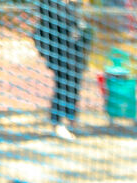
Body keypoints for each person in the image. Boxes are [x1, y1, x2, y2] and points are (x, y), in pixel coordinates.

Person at [32, 0, 90, 140]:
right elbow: (45, 30)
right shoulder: (50, 6)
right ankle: (58, 122)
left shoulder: (71, 7)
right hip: (60, 53)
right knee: (63, 85)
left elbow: (78, 26)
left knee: (74, 85)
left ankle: (71, 120)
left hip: (75, 53)